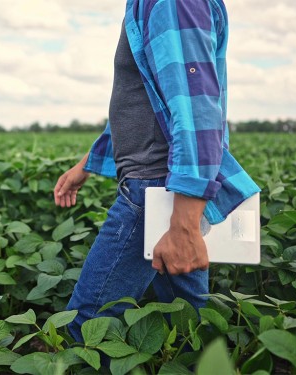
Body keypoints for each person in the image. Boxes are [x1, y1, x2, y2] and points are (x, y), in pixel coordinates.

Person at [54, 0, 260, 344]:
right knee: (187, 326)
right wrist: (88, 163)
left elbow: (196, 112)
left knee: (86, 329)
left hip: (157, 192)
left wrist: (183, 223)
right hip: (160, 189)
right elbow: (143, 103)